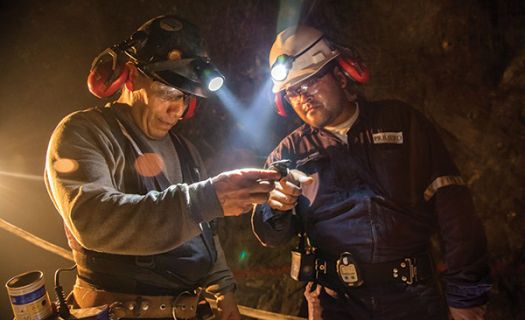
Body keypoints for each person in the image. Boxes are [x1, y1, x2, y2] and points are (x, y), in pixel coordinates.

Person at [45, 15, 280, 320]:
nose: (178, 109)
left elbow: (204, 233)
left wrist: (224, 291)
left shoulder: (185, 151)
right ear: (130, 77)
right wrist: (204, 199)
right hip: (118, 310)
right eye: (168, 93)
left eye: (186, 98)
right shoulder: (84, 132)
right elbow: (92, 219)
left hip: (188, 309)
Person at [252, 25, 492, 320]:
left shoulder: (402, 123)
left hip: (413, 299)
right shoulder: (289, 153)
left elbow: (457, 215)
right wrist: (276, 209)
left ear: (340, 74)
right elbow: (270, 234)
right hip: (335, 304)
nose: (302, 97)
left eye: (310, 81)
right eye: (291, 91)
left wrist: (467, 296)